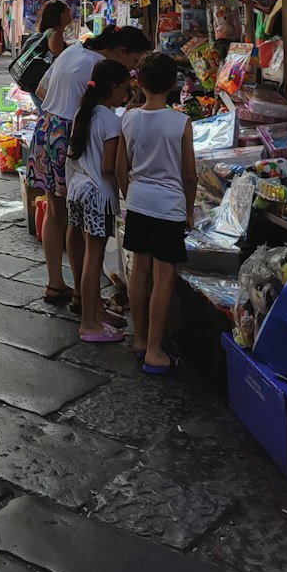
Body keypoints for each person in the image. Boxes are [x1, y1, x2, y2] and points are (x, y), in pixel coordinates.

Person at [28, 24, 150, 307]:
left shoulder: (75, 49)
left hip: (48, 126)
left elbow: (43, 88)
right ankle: (85, 294)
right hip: (69, 132)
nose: (131, 72)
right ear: (121, 51)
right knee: (79, 219)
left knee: (57, 211)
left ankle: (56, 283)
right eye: (133, 63)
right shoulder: (98, 65)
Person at [115, 50, 197, 375]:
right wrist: (189, 209)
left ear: (140, 82)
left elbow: (121, 168)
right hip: (169, 206)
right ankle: (154, 350)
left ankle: (139, 339)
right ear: (174, 83)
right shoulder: (181, 123)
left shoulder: (129, 118)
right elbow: (189, 175)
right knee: (164, 276)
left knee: (139, 271)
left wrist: (129, 195)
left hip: (138, 202)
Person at [66, 59, 132, 342]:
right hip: (97, 194)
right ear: (113, 88)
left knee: (89, 256)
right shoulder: (111, 121)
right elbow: (109, 166)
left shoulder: (85, 112)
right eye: (125, 90)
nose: (126, 96)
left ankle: (94, 311)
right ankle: (89, 323)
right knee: (94, 258)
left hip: (78, 189)